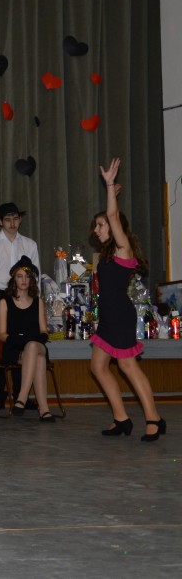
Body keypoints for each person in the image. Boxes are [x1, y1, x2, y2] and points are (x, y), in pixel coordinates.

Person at [89, 158, 165, 441]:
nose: (96, 230)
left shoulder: (124, 249)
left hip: (120, 316)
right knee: (98, 366)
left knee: (127, 366)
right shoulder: (108, 254)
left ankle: (154, 418)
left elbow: (112, 215)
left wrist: (109, 186)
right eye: (96, 226)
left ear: (114, 226)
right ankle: (121, 418)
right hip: (108, 317)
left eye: (100, 225)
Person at [0, 202, 40, 410]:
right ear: (0, 222)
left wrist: (35, 303)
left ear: (20, 220)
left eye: (15, 219)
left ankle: (21, 395)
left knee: (22, 343)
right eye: (7, 219)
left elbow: (35, 275)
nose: (12, 223)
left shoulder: (30, 244)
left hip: (24, 296)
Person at [0, 256, 55, 422]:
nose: (24, 280)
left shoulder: (38, 302)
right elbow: (2, 334)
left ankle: (21, 398)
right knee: (39, 359)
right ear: (14, 279)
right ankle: (44, 409)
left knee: (33, 347)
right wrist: (21, 341)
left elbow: (44, 331)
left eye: (27, 276)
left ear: (32, 280)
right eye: (20, 276)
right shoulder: (5, 302)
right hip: (15, 348)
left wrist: (33, 340)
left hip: (37, 345)